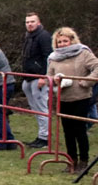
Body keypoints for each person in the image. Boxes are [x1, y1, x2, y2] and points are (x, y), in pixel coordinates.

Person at [39, 27, 98, 172]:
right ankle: (71, 160)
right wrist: (54, 82)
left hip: (81, 97)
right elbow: (49, 77)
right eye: (59, 42)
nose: (62, 44)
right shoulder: (54, 57)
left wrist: (86, 81)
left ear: (72, 40)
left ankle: (84, 161)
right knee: (67, 131)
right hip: (63, 98)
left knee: (80, 130)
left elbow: (97, 67)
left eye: (65, 41)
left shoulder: (83, 53)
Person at [21, 12, 52, 148]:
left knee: (41, 107)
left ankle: (45, 138)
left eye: (32, 21)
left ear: (38, 22)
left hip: (39, 77)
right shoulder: (29, 37)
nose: (29, 24)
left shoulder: (44, 36)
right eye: (27, 22)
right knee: (35, 108)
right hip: (28, 77)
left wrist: (44, 76)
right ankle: (41, 135)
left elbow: (48, 57)